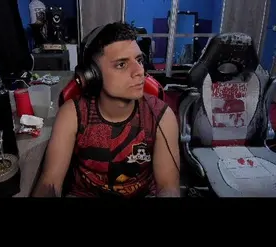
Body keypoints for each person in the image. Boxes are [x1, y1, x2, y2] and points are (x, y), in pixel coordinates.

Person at [33, 23, 180, 197]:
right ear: (91, 75)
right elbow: (50, 182)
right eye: (121, 64)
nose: (139, 71)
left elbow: (168, 187)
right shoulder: (72, 114)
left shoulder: (161, 115)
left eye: (139, 60)